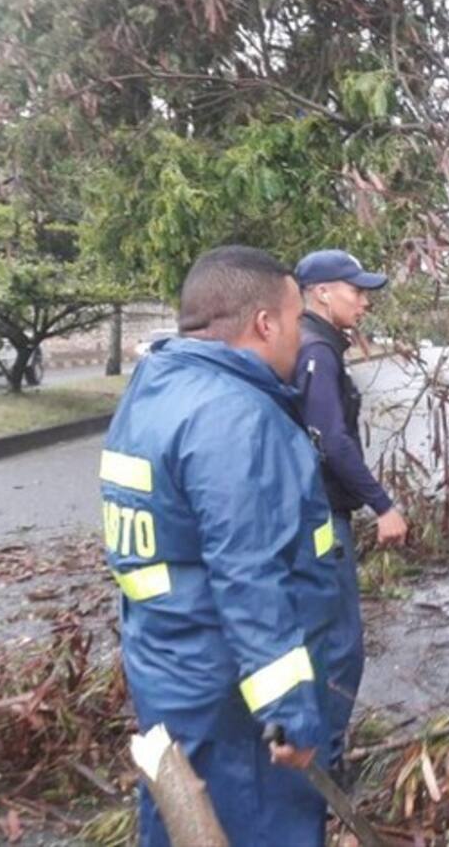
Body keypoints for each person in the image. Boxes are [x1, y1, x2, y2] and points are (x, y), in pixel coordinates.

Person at [100, 245, 341, 847]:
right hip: (233, 701)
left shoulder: (155, 388)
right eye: (294, 320)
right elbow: (249, 574)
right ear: (265, 323)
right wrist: (290, 710)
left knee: (184, 822)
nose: (297, 336)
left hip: (169, 667)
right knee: (259, 827)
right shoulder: (236, 416)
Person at [292, 248, 409, 779]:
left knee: (321, 642)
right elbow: (331, 440)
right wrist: (383, 505)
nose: (364, 300)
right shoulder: (316, 349)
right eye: (355, 289)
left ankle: (311, 759)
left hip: (312, 511)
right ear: (321, 292)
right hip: (320, 517)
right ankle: (326, 771)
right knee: (339, 650)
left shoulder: (314, 344)